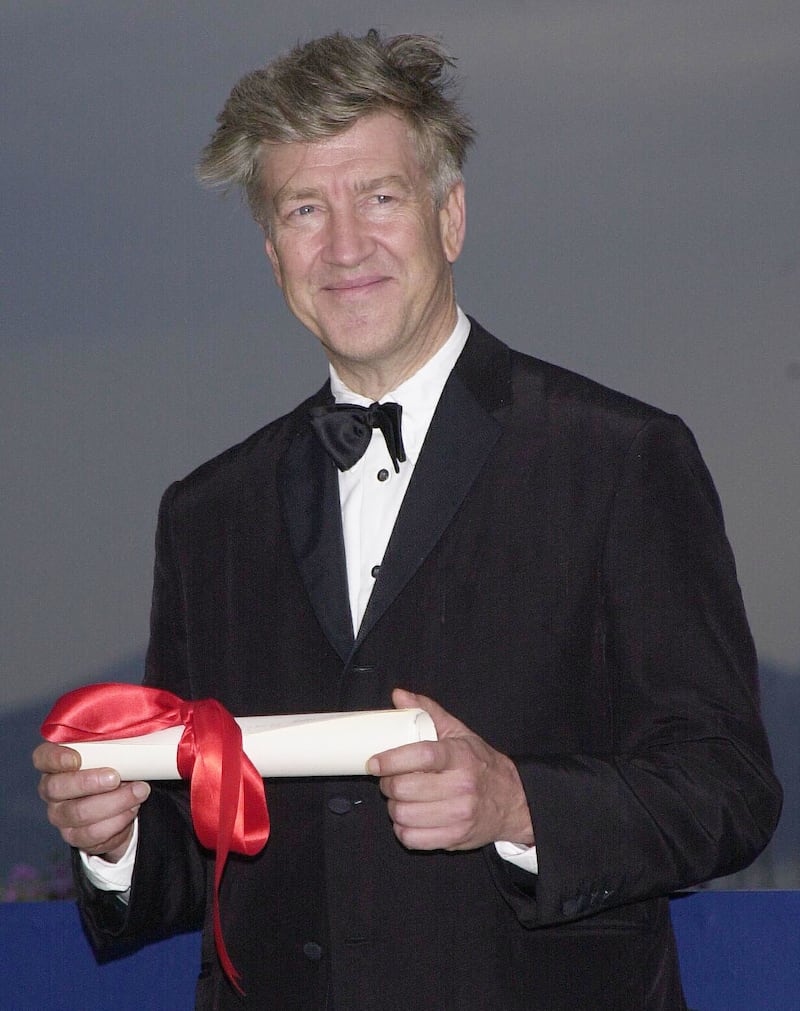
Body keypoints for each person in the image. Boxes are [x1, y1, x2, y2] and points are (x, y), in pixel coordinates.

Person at [34, 30, 781, 1010]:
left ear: (450, 216)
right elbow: (200, 850)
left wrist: (518, 802)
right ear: (271, 254)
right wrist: (118, 837)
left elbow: (727, 788)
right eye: (305, 209)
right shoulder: (205, 514)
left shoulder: (620, 458)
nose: (344, 247)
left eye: (378, 197)